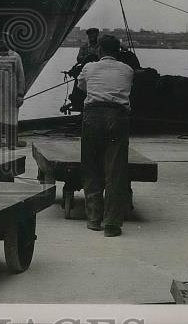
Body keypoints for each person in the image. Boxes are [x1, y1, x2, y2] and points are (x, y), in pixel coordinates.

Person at [77, 34, 134, 237]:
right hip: (118, 118)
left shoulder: (89, 67)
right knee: (115, 171)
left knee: (91, 166)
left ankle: (93, 219)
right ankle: (112, 224)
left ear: (99, 50)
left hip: (93, 116)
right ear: (118, 51)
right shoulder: (127, 70)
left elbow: (81, 86)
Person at [0, 36, 25, 149]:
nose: (1, 42)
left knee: (11, 118)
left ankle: (11, 143)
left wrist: (20, 94)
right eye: (0, 40)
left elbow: (21, 76)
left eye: (4, 40)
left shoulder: (15, 57)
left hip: (11, 94)